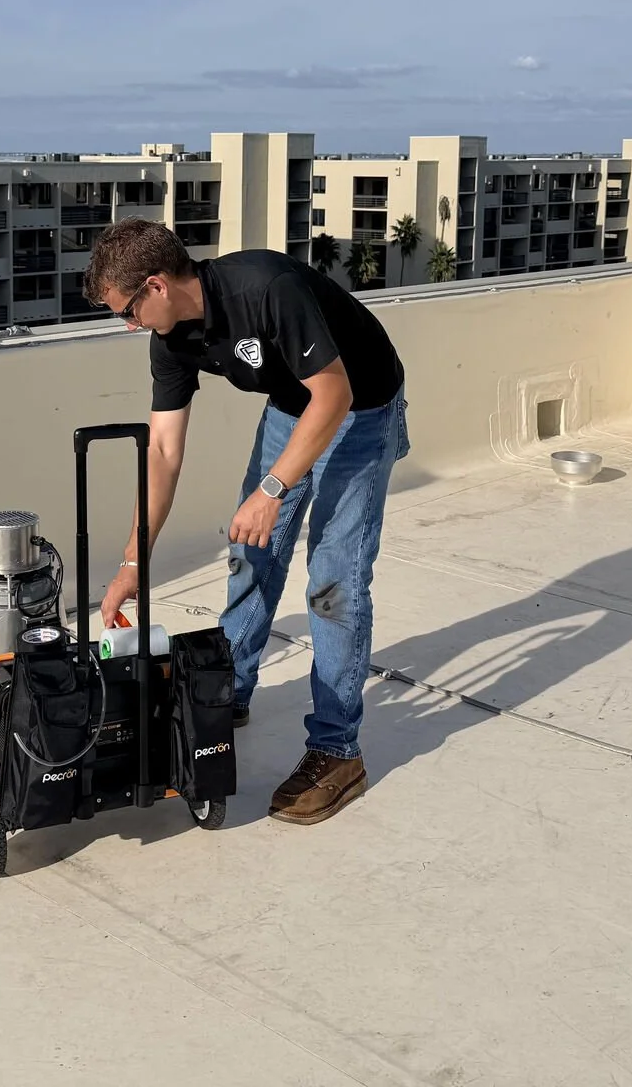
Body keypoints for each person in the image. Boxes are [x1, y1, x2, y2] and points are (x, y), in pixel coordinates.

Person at [86, 219, 408, 825]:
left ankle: (338, 751)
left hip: (360, 404)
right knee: (250, 551)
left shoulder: (266, 290)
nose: (128, 325)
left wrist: (272, 489)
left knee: (333, 582)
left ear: (156, 286)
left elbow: (334, 396)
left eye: (127, 311)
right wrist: (133, 562)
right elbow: (163, 453)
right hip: (293, 404)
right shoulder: (171, 339)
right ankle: (228, 688)